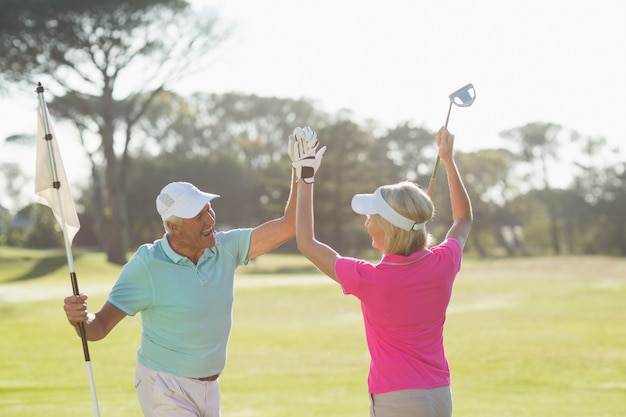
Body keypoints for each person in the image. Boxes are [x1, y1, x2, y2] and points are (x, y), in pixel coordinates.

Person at [63, 139, 304, 416]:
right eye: (197, 215)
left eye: (208, 208)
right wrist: (80, 319)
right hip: (165, 386)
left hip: (210, 387)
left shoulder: (225, 248)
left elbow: (289, 226)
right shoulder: (148, 265)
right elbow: (99, 327)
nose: (209, 219)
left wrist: (301, 174)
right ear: (173, 227)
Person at [293, 126, 473, 417]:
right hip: (440, 395)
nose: (366, 222)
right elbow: (463, 219)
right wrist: (449, 160)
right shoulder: (443, 263)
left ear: (388, 229)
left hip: (397, 399)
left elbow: (306, 242)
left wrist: (305, 177)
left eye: (371, 217)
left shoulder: (371, 279)